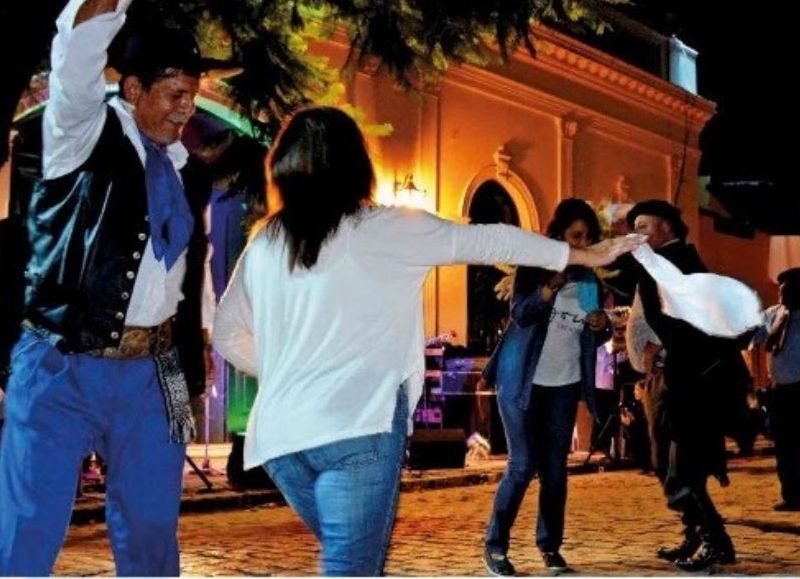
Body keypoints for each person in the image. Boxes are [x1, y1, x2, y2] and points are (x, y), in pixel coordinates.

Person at [212, 107, 643, 576]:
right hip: (356, 427)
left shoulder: (266, 241)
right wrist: (580, 253)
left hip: (281, 440)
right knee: (352, 566)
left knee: (354, 561)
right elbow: (491, 240)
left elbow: (227, 333)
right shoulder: (385, 226)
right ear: (357, 164)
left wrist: (288, 371)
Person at [0, 0, 214, 574]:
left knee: (152, 530)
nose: (186, 109)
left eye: (192, 95)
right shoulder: (80, 131)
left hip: (156, 370)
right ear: (135, 88)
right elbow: (77, 54)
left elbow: (184, 278)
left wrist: (189, 368)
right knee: (28, 527)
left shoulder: (188, 170)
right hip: (59, 363)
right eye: (175, 94)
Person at [481, 198, 610, 575]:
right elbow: (521, 314)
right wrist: (549, 288)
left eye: (587, 237)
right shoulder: (535, 267)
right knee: (522, 465)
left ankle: (550, 548)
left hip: (564, 383)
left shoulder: (588, 280)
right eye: (575, 236)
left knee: (555, 470)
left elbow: (592, 334)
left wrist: (601, 326)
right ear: (558, 236)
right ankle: (496, 545)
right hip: (523, 379)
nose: (582, 243)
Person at [626, 199, 750, 571]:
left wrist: (659, 347)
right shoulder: (660, 264)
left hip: (692, 381)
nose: (638, 233)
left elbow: (695, 322)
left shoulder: (679, 265)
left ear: (668, 229)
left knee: (683, 468)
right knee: (667, 461)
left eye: (645, 226)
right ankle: (696, 535)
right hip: (673, 375)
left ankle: (714, 541)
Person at [752, 267, 800, 511]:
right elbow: (756, 341)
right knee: (784, 445)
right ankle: (791, 495)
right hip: (780, 391)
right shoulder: (773, 314)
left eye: (789, 291)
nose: (783, 295)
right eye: (781, 291)